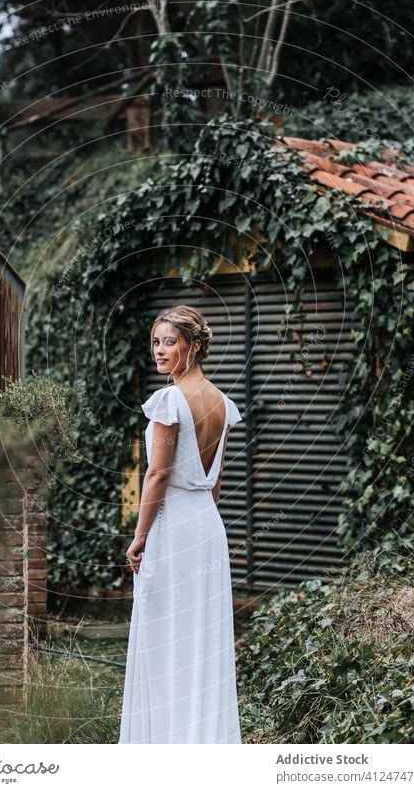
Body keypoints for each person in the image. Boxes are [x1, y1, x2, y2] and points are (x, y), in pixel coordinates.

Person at [118, 305, 243, 744]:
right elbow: (216, 485)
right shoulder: (223, 404)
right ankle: (201, 738)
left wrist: (140, 538)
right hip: (207, 527)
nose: (160, 350)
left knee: (166, 635)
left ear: (193, 346)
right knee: (200, 638)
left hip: (172, 529)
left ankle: (167, 743)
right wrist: (197, 519)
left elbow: (157, 473)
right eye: (156, 342)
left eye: (170, 341)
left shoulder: (170, 401)